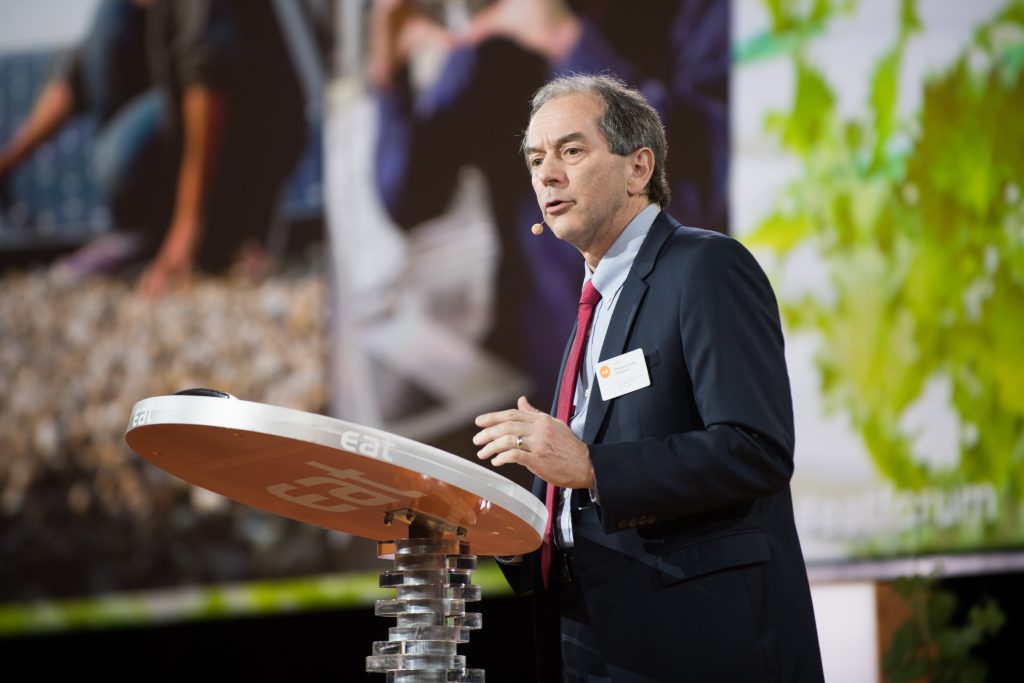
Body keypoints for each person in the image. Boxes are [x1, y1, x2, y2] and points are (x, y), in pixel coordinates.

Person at [473, 74, 824, 682]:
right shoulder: (593, 304)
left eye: (571, 151)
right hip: (590, 640)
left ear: (638, 168)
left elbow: (756, 449)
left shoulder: (704, 267)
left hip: (701, 642)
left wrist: (592, 467)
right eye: (535, 159)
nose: (546, 176)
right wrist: (512, 526)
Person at [368, 0, 727, 404]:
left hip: (662, 360)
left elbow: (708, 182)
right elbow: (410, 203)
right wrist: (388, 71)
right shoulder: (501, 34)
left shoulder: (699, 14)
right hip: (539, 360)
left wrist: (566, 41)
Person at [0, 0, 307, 296]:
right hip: (188, 113)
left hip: (251, 134)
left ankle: (225, 229)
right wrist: (9, 159)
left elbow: (207, 69)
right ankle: (145, 233)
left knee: (117, 158)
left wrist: (186, 229)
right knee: (113, 14)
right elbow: (76, 78)